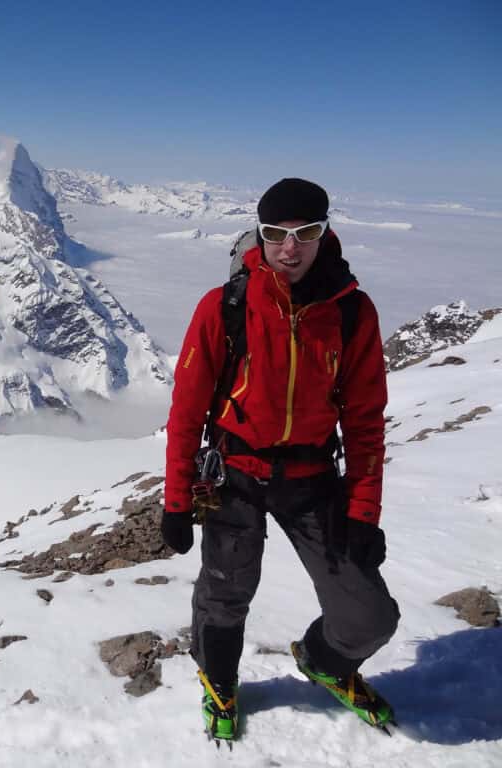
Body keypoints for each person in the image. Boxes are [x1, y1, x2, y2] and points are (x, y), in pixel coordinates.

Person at [161, 178, 399, 743]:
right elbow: (187, 409)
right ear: (260, 235)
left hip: (314, 477)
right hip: (235, 474)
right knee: (225, 590)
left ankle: (325, 661)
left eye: (305, 233)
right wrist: (176, 500)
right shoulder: (226, 307)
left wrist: (363, 513)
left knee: (370, 614)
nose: (290, 248)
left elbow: (365, 423)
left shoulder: (351, 312)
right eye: (276, 234)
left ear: (325, 233)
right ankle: (219, 679)